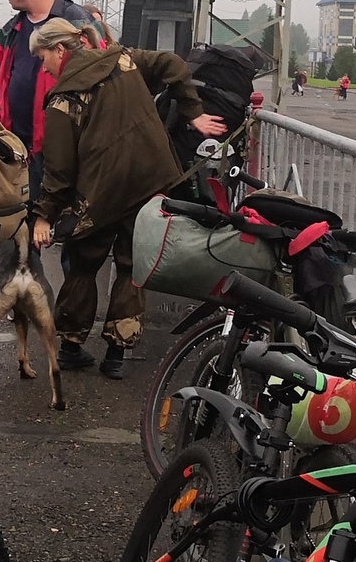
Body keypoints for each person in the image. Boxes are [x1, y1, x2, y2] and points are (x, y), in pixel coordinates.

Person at [30, 19, 225, 378]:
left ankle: (71, 346)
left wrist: (44, 215)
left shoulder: (64, 99)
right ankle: (116, 356)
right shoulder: (125, 60)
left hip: (100, 193)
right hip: (150, 182)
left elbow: (58, 169)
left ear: (60, 50)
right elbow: (174, 64)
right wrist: (192, 112)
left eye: (43, 58)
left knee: (84, 263)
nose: (44, 67)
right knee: (132, 267)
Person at [0, 0, 92, 199]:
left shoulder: (77, 23)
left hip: (62, 149)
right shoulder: (11, 30)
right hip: (17, 146)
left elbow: (98, 76)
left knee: (55, 219)